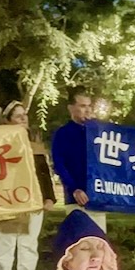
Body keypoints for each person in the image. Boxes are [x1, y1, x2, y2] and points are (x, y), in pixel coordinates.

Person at [0, 101, 56, 270]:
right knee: (6, 245)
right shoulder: (0, 143)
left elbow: (44, 173)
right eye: (18, 116)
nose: (23, 118)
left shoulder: (33, 143)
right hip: (9, 201)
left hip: (33, 201)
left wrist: (49, 197)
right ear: (8, 121)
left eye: (24, 114)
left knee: (29, 244)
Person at [51, 86, 106, 232]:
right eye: (82, 106)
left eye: (89, 106)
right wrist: (74, 188)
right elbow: (59, 164)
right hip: (75, 199)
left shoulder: (99, 133)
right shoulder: (63, 134)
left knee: (99, 244)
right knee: (80, 245)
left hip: (97, 198)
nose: (87, 110)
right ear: (71, 108)